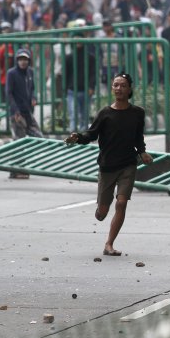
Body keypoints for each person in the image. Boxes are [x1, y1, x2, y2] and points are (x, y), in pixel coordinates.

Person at [64, 73, 153, 255]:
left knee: (121, 203)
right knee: (102, 213)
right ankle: (100, 208)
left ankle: (109, 244)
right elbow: (92, 134)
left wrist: (142, 152)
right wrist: (78, 137)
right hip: (107, 166)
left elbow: (138, 136)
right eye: (115, 85)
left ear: (129, 89)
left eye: (122, 85)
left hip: (128, 164)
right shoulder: (105, 113)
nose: (118, 88)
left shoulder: (137, 113)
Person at [7, 49, 43, 179]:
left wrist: (34, 97)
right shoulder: (11, 73)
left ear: (29, 61)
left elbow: (32, 88)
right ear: (17, 60)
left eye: (25, 59)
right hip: (17, 114)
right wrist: (15, 111)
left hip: (28, 112)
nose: (23, 62)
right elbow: (9, 93)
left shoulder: (30, 72)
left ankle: (22, 167)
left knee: (39, 137)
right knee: (19, 142)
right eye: (21, 59)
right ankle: (15, 170)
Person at [65, 33, 96, 131]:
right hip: (72, 90)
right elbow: (66, 74)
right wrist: (65, 88)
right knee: (73, 114)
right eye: (75, 39)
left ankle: (82, 133)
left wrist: (91, 86)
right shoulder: (69, 57)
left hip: (85, 90)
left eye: (79, 39)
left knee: (84, 115)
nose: (77, 41)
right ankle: (72, 133)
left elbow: (93, 73)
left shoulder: (90, 57)